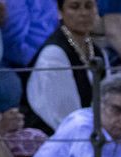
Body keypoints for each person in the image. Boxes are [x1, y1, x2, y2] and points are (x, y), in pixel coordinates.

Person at [23, 0, 108, 133]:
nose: (84, 13)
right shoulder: (53, 55)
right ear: (60, 12)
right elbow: (65, 118)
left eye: (89, 6)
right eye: (75, 7)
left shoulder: (98, 52)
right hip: (59, 137)